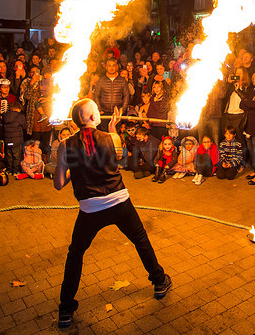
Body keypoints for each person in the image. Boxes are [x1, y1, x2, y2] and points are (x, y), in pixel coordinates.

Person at [53, 99, 170, 328]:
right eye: (96, 110)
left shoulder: (65, 145)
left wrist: (71, 168)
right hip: (118, 202)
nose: (100, 112)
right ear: (92, 118)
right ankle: (159, 281)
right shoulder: (112, 138)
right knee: (140, 239)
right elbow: (116, 158)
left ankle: (65, 309)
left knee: (75, 254)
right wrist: (113, 130)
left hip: (90, 208)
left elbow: (58, 183)